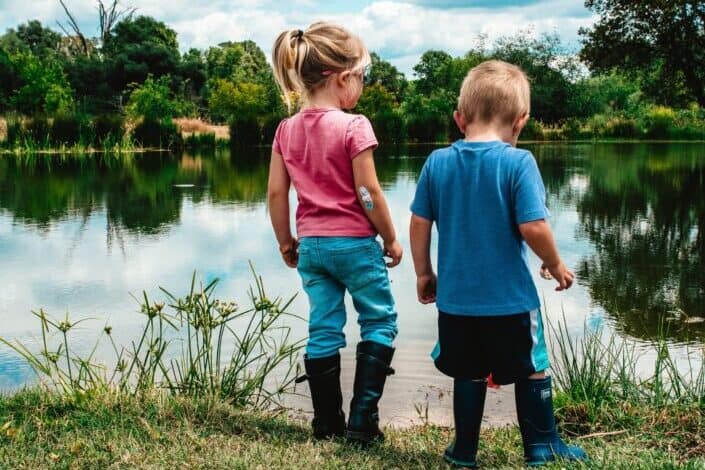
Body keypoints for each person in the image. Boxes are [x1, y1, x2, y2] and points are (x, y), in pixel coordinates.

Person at [409, 60, 588, 467]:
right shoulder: (518, 162)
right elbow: (534, 225)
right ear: (521, 121)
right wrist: (555, 263)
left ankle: (464, 451)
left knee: (468, 372)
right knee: (532, 367)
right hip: (510, 303)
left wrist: (423, 272)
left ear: (459, 119)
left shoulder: (437, 162)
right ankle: (541, 446)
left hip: (456, 304)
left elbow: (419, 223)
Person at [267, 22, 402, 444]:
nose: (361, 86)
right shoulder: (353, 126)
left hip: (312, 247)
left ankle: (326, 423)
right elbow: (368, 191)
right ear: (343, 78)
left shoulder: (286, 130)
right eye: (362, 77)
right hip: (356, 245)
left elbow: (275, 192)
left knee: (324, 327)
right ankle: (362, 423)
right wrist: (392, 237)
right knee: (379, 321)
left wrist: (285, 241)